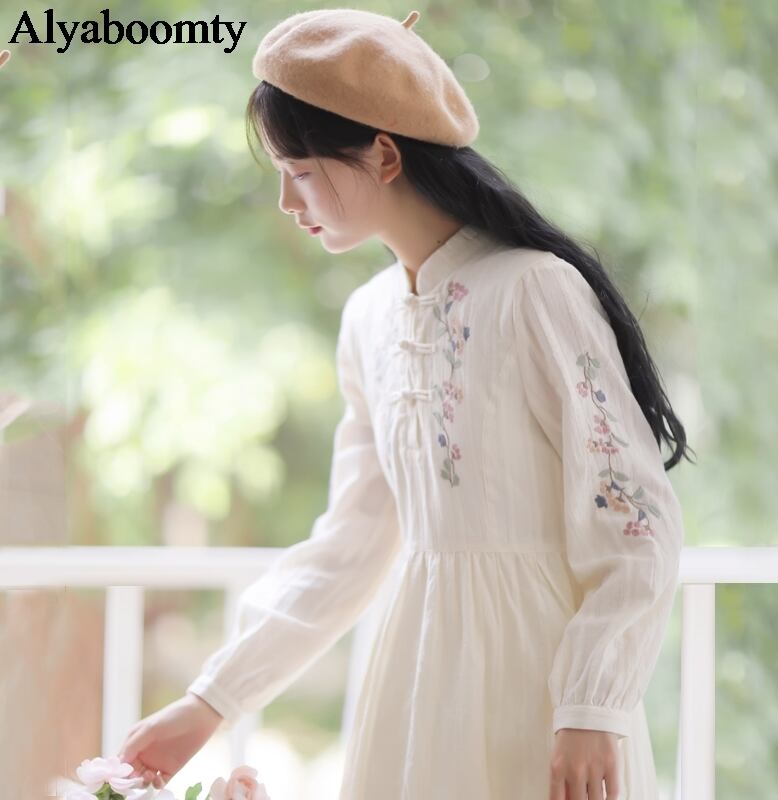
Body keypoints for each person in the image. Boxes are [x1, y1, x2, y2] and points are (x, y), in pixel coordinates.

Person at [119, 9, 694, 799]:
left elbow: (636, 522)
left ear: (383, 155)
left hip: (543, 686)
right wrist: (210, 700)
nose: (285, 200)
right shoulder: (369, 319)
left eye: (301, 171)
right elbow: (351, 543)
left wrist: (594, 702)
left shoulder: (535, 289)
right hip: (413, 679)